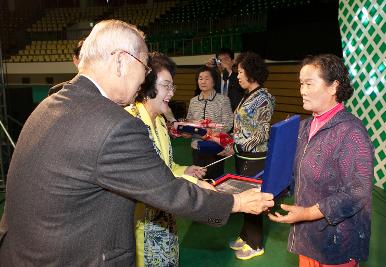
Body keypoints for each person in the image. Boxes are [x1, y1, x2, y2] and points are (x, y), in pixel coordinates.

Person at [0, 20, 275, 266]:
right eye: (144, 66)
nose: (145, 79)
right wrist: (234, 202)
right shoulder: (113, 123)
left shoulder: (50, 103)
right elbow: (167, 192)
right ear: (120, 61)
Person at [268, 54, 374, 267]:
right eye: (300, 84)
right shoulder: (304, 127)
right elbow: (293, 174)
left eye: (309, 84)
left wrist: (307, 213)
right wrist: (266, 192)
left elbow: (358, 191)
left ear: (333, 87)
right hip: (308, 237)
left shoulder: (351, 132)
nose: (302, 91)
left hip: (336, 243)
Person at [125, 52, 215, 266]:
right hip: (142, 225)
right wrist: (197, 185)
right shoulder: (130, 124)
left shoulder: (159, 123)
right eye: (166, 86)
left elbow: (165, 167)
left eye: (172, 87)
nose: (171, 93)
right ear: (147, 85)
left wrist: (185, 170)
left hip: (164, 218)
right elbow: (149, 182)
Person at [220, 52, 275, 260]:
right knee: (244, 196)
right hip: (243, 155)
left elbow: (261, 134)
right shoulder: (248, 95)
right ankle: (245, 234)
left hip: (255, 157)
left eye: (241, 72)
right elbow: (242, 126)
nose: (238, 76)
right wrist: (232, 142)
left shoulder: (264, 97)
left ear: (252, 72)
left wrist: (233, 142)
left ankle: (255, 243)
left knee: (253, 199)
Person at [187, 65, 233, 179]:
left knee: (215, 180)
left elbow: (228, 124)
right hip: (196, 147)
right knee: (198, 180)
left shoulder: (223, 100)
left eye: (207, 78)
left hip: (215, 147)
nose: (203, 81)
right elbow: (189, 122)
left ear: (214, 81)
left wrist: (209, 132)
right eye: (200, 78)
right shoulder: (193, 101)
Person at [206, 48, 244, 112]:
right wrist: (207, 69)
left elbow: (238, 96)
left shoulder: (239, 78)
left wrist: (228, 72)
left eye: (226, 59)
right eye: (219, 60)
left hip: (234, 115)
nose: (222, 62)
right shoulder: (213, 79)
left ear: (232, 62)